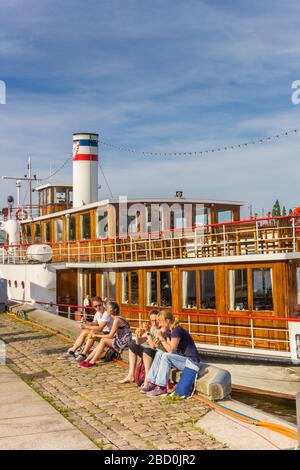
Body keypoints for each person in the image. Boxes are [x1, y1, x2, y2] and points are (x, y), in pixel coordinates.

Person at [142, 310, 201, 397]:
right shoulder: (171, 331)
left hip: (192, 362)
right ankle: (151, 382)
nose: (160, 325)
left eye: (161, 322)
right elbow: (168, 349)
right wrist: (160, 340)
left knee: (166, 356)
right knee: (159, 353)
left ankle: (162, 387)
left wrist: (162, 338)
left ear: (167, 321)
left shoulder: (177, 330)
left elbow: (171, 350)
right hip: (183, 360)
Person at [79, 301, 132, 368]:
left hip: (124, 342)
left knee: (103, 340)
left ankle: (92, 361)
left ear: (110, 311)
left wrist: (96, 336)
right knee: (102, 341)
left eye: (106, 309)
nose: (105, 311)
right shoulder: (119, 317)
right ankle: (87, 360)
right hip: (122, 339)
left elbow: (110, 335)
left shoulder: (117, 320)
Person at [119, 309, 163, 384]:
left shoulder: (161, 330)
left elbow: (153, 347)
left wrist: (148, 335)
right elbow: (138, 342)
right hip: (151, 352)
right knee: (132, 345)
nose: (154, 323)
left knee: (147, 350)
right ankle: (131, 374)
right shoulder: (152, 328)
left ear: (160, 319)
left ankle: (147, 379)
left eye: (156, 320)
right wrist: (137, 334)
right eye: (152, 321)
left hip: (159, 354)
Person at [66, 296, 113, 362]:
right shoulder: (97, 313)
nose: (98, 307)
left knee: (93, 332)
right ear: (93, 307)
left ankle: (83, 354)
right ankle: (72, 351)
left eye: (99, 305)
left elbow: (100, 328)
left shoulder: (106, 313)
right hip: (103, 333)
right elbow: (95, 323)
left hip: (110, 335)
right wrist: (86, 322)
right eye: (95, 306)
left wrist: (86, 326)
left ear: (102, 303)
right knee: (85, 331)